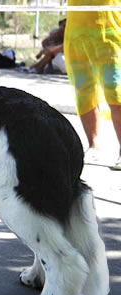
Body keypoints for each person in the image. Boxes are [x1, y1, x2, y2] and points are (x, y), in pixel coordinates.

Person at [64, 0, 121, 170]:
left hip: (110, 33)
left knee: (116, 91)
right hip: (76, 35)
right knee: (83, 92)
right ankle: (93, 145)